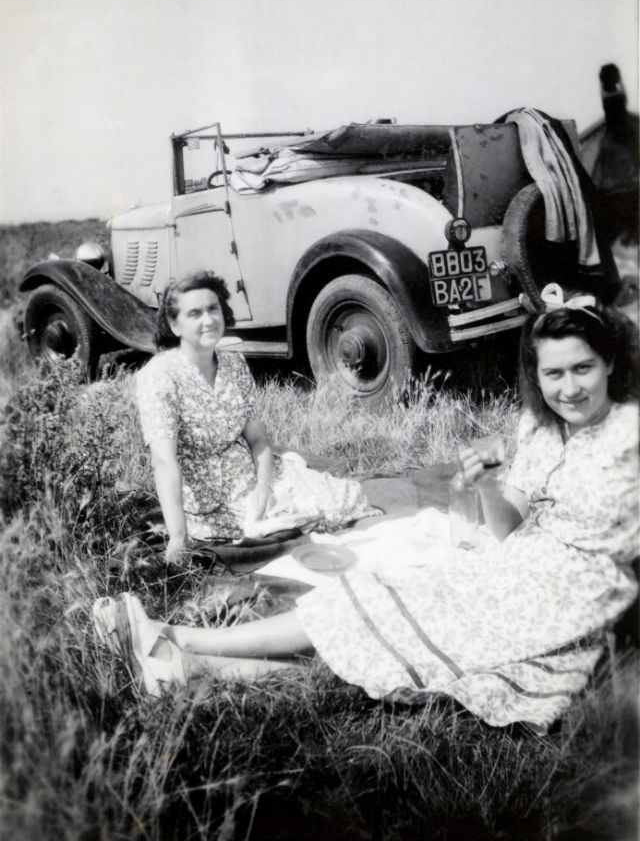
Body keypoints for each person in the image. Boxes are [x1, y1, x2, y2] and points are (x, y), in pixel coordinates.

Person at [96, 291, 638, 730]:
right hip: (514, 567)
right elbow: (507, 529)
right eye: (554, 375)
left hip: (573, 592)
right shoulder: (540, 428)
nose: (568, 388)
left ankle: (176, 641)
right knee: (377, 599)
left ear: (610, 362)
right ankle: (183, 658)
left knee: (402, 623)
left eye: (582, 369)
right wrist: (492, 485)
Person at [135, 270, 377, 564]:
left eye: (213, 309)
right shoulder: (158, 377)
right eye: (195, 314)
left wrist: (264, 488)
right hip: (207, 499)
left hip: (253, 477)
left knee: (347, 498)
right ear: (175, 325)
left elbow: (258, 440)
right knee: (296, 521)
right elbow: (164, 461)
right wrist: (177, 536)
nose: (209, 320)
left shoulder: (234, 364)